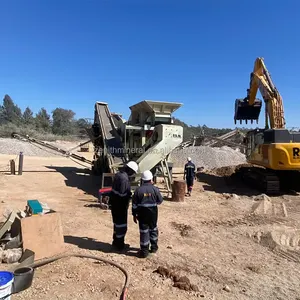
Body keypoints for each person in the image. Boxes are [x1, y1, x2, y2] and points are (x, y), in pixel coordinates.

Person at [132, 170, 163, 258]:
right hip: (153, 213)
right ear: (151, 179)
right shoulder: (155, 189)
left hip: (142, 214)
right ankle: (153, 248)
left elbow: (134, 205)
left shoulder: (138, 190)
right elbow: (160, 201)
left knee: (144, 231)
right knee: (153, 229)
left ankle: (144, 251)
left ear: (142, 180)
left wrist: (134, 215)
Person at [110, 161, 138, 251]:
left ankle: (115, 241)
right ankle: (120, 244)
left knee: (116, 224)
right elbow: (122, 195)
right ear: (130, 170)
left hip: (114, 204)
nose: (133, 174)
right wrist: (130, 195)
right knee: (121, 225)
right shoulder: (124, 179)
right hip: (120, 206)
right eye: (133, 172)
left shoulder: (118, 174)